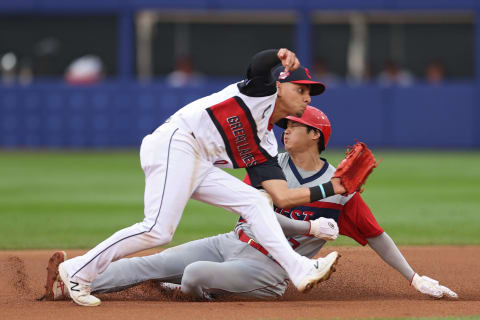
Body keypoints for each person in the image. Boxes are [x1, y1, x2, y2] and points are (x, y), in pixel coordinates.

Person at [45, 106, 457, 302]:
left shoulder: (342, 190)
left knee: (193, 272)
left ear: (315, 136)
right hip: (233, 241)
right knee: (151, 262)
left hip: (269, 268)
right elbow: (253, 213)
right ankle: (73, 281)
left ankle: (196, 289)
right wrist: (309, 229)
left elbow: (377, 237)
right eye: (287, 124)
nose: (286, 129)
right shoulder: (268, 167)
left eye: (295, 125)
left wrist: (414, 278)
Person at [57, 48, 347, 307]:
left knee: (254, 202)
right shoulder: (261, 92)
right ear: (281, 86)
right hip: (176, 142)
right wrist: (278, 55)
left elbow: (281, 196)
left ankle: (299, 269)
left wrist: (331, 187)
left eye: (311, 94)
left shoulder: (266, 144)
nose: (307, 98)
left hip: (196, 161)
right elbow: (258, 65)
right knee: (158, 230)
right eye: (302, 90)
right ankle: (78, 272)